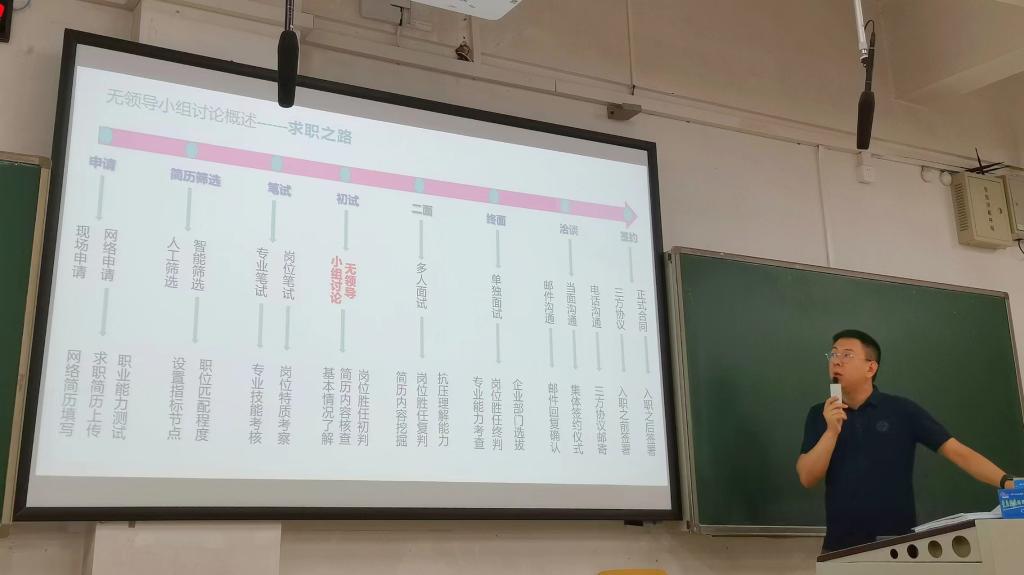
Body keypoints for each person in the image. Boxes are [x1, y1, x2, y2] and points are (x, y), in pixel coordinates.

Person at [796, 329, 1016, 552]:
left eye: (847, 355)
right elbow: (807, 477)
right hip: (839, 548)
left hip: (898, 544)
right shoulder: (819, 414)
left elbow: (958, 452)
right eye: (833, 354)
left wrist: (1008, 482)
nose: (836, 361)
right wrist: (831, 432)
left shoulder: (901, 410)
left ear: (870, 368)